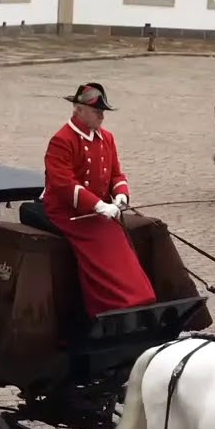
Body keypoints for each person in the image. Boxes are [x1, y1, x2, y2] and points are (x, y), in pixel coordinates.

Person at [41, 82, 157, 317]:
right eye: (97, 112)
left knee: (119, 238)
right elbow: (64, 184)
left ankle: (139, 298)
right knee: (101, 244)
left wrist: (121, 194)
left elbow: (116, 173)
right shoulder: (62, 140)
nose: (102, 116)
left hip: (100, 211)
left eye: (103, 112)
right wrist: (98, 205)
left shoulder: (107, 138)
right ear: (79, 110)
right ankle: (110, 307)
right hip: (68, 212)